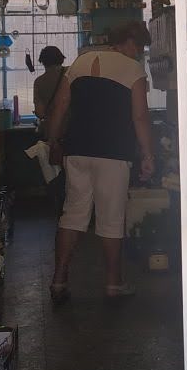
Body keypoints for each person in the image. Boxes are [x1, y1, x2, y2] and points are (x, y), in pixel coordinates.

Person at [47, 20, 154, 303]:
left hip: (77, 149)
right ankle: (113, 283)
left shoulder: (80, 62)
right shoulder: (132, 70)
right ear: (130, 42)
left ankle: (59, 280)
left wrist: (53, 141)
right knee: (111, 219)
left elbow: (60, 106)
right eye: (139, 47)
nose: (139, 53)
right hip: (114, 152)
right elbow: (140, 117)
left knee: (72, 215)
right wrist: (147, 153)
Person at [32, 45, 66, 140]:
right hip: (72, 128)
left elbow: (40, 112)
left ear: (42, 61)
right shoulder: (70, 73)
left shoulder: (39, 82)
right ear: (61, 58)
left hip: (52, 131)